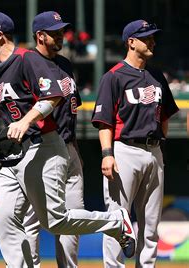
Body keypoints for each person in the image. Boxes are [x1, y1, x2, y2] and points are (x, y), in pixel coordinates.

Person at [0, 11, 136, 267]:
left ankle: (115, 222)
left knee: (55, 221)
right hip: (15, 154)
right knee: (3, 219)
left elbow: (52, 96)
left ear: (0, 36)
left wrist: (25, 121)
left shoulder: (27, 59)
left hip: (43, 147)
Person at [91, 20, 179, 267]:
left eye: (153, 37)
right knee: (117, 221)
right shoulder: (113, 77)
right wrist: (107, 154)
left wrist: (159, 147)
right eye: (146, 37)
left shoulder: (157, 76)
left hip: (153, 152)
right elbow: (104, 121)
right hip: (124, 151)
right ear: (131, 42)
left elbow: (164, 115)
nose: (152, 41)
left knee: (150, 224)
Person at [21, 11, 84, 268]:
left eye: (61, 31)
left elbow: (72, 108)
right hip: (42, 147)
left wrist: (75, 151)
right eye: (55, 32)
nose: (61, 35)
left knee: (73, 217)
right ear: (40, 35)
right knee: (33, 219)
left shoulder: (65, 64)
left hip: (68, 147)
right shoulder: (27, 62)